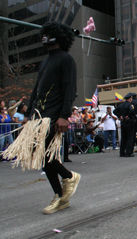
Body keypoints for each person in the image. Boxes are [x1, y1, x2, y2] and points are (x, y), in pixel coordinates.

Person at [4, 22, 81, 214]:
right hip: (37, 117)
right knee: (41, 156)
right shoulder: (45, 61)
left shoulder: (67, 60)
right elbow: (36, 92)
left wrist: (64, 116)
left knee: (45, 155)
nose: (44, 37)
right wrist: (28, 115)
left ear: (58, 36)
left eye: (48, 34)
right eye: (43, 34)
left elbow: (70, 89)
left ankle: (68, 177)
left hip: (53, 117)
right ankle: (61, 195)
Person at [113, 93, 136, 157]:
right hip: (129, 122)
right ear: (130, 99)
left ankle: (122, 152)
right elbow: (132, 111)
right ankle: (128, 153)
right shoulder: (130, 105)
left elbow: (114, 111)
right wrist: (128, 115)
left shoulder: (121, 105)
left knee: (123, 138)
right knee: (129, 138)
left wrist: (120, 116)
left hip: (123, 123)